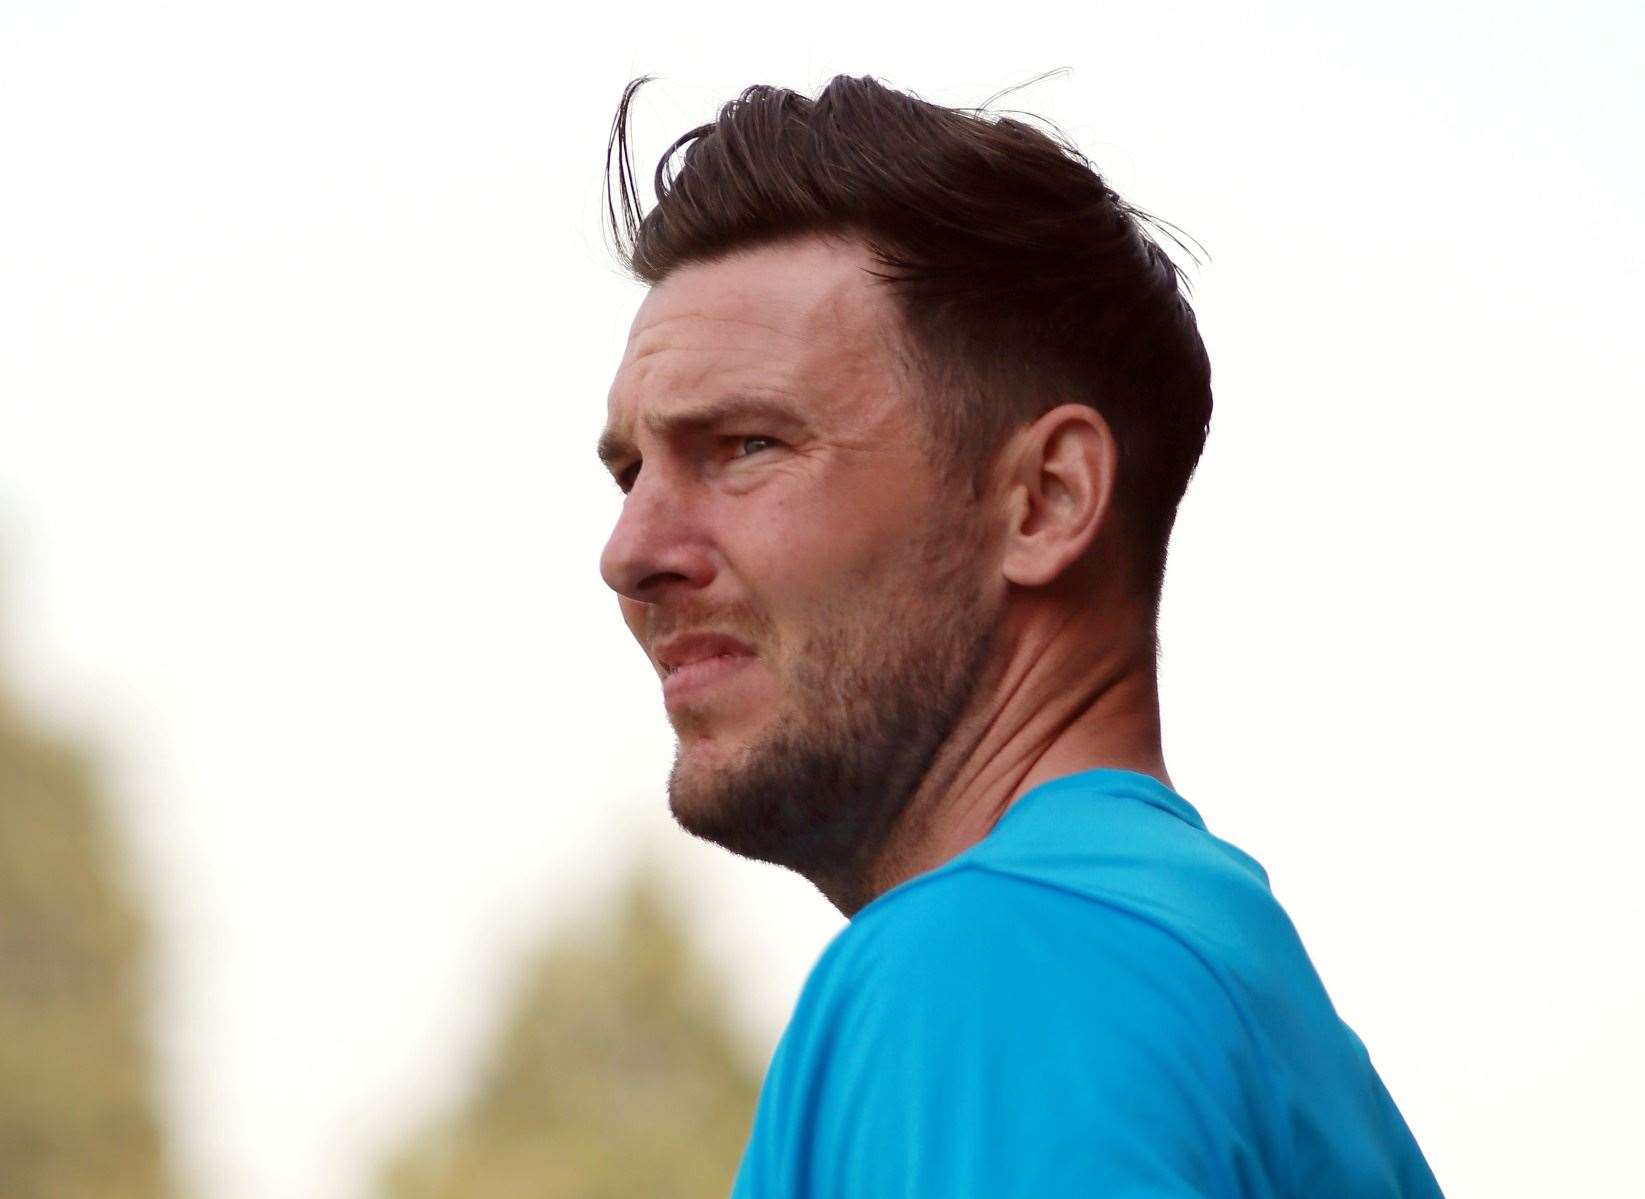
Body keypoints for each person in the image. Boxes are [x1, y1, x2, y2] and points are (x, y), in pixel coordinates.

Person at [595, 74, 1444, 1197]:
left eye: (746, 444)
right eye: (628, 469)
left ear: (1045, 500)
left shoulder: (1005, 962)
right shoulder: (1188, 962)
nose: (630, 548)